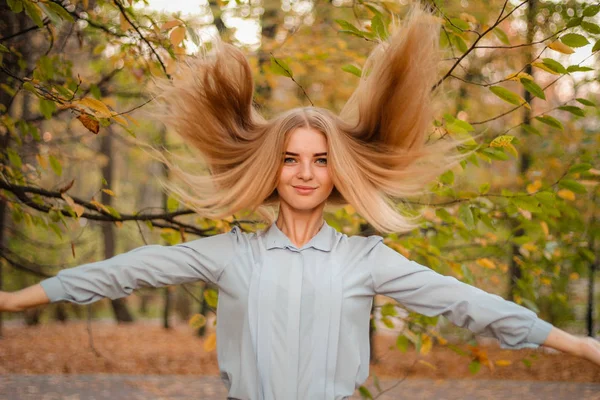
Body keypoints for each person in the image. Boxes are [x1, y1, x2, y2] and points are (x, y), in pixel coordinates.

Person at [1, 4, 599, 400]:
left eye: (320, 159)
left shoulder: (366, 259)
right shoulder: (231, 255)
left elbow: (465, 303)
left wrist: (576, 344)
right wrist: (12, 299)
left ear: (337, 170)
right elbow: (122, 272)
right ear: (272, 167)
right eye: (290, 158)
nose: (306, 173)